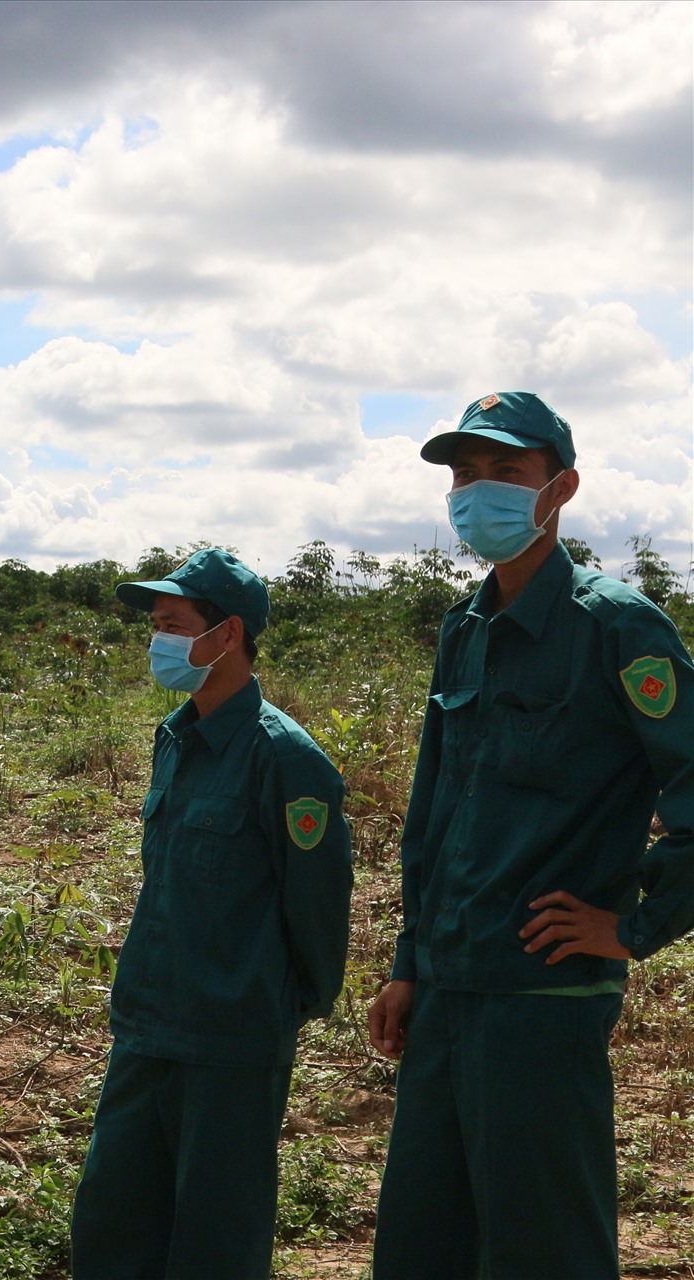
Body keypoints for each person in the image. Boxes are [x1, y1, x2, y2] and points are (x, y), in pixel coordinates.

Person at [366, 392, 694, 1278]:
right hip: (447, 992)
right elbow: (434, 814)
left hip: (544, 1004)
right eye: (465, 475)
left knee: (544, 1247)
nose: (480, 493)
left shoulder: (616, 625)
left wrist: (630, 927)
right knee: (424, 1239)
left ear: (562, 488)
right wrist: (409, 962)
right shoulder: (463, 630)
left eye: (506, 473)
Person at [68, 548, 353, 1278]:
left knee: (215, 1241)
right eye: (156, 625)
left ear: (227, 635)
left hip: (233, 1039)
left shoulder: (287, 760)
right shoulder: (174, 737)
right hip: (147, 1026)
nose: (157, 640)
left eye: (172, 624)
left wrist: (276, 1006)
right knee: (112, 1225)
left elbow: (317, 909)